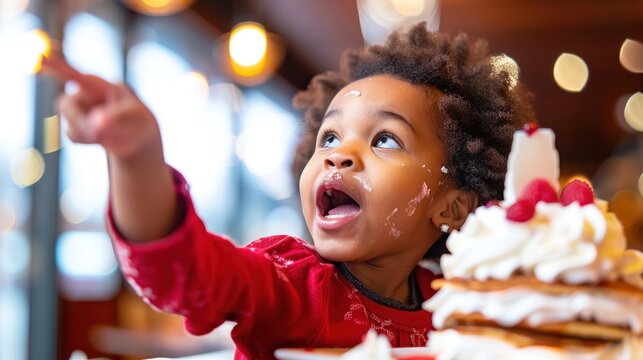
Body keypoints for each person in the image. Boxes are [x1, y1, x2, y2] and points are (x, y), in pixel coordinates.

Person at [45, 22, 535, 360]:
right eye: (330, 136)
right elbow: (185, 272)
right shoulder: (292, 287)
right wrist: (136, 158)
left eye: (384, 138)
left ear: (451, 205)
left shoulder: (452, 308)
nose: (339, 155)